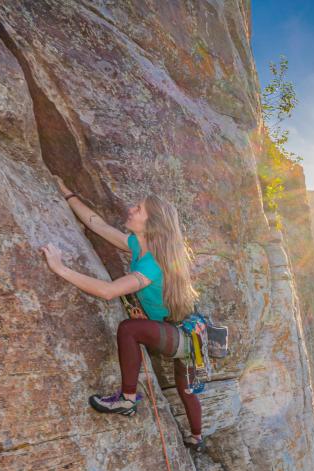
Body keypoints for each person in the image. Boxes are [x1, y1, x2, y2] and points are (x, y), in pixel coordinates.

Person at [41, 176, 204, 449]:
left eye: (138, 209)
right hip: (181, 331)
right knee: (185, 388)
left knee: (130, 330)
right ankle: (197, 438)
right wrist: (66, 192)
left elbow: (108, 291)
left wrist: (60, 268)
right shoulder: (138, 245)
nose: (131, 209)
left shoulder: (153, 264)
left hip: (181, 335)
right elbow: (97, 225)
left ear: (151, 224)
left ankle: (127, 400)